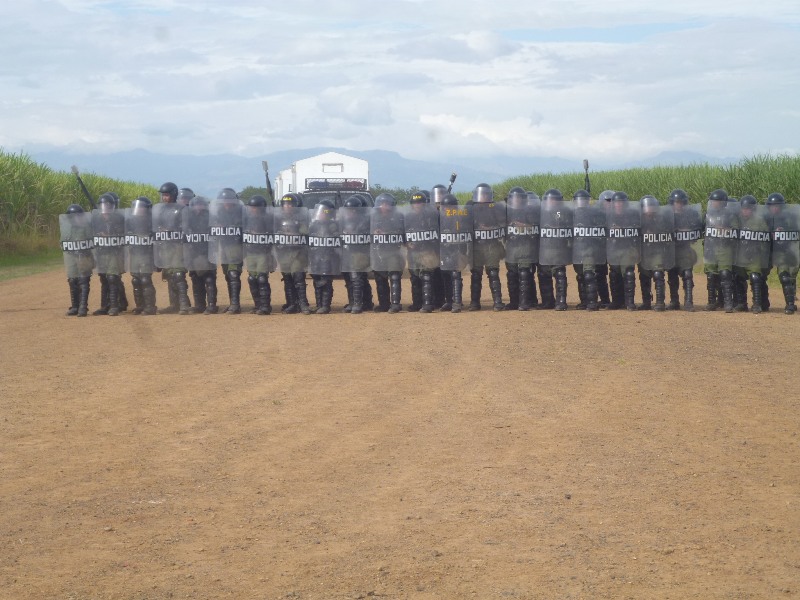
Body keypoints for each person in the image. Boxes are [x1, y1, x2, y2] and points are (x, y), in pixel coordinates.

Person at [469, 183, 506, 311]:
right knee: (476, 275)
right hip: (477, 247)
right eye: (482, 194)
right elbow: (464, 225)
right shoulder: (470, 207)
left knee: (493, 273)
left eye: (485, 194)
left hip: (492, 245)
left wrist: (490, 228)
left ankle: (497, 302)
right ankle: (474, 303)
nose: (483, 197)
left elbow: (503, 224)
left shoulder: (496, 208)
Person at [209, 188, 245, 314]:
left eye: (229, 200)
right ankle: (232, 303)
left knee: (234, 274)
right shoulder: (219, 213)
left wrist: (231, 227)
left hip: (236, 247)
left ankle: (235, 305)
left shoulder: (241, 212)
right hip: (224, 247)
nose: (226, 203)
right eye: (224, 200)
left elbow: (245, 227)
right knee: (228, 276)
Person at [275, 192, 311, 314]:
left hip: (298, 253)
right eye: (285, 204)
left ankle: (303, 304)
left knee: (298, 277)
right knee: (287, 279)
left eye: (290, 204)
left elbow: (305, 232)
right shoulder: (278, 219)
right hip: (284, 253)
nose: (288, 206)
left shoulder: (302, 218)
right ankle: (291, 303)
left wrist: (296, 228)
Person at [156, 181, 190, 314]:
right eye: (163, 195)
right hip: (165, 246)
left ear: (174, 194)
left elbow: (186, 227)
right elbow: (157, 226)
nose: (164, 197)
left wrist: (172, 230)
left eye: (167, 195)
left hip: (178, 246)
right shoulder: (160, 210)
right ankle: (174, 304)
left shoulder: (182, 209)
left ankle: (184, 305)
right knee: (169, 275)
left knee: (178, 274)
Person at [734, 195, 771, 314]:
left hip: (754, 255)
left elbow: (766, 238)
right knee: (738, 277)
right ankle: (742, 303)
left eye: (748, 208)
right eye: (743, 208)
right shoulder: (736, 219)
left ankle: (757, 304)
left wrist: (758, 249)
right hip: (740, 254)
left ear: (753, 209)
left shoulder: (759, 221)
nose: (745, 211)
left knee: (755, 277)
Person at [404, 190, 440, 313]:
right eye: (415, 203)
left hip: (428, 251)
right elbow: (403, 233)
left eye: (420, 203)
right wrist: (406, 243)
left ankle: (427, 304)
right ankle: (417, 303)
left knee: (426, 277)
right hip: (413, 253)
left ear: (425, 204)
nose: (417, 205)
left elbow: (437, 233)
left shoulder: (432, 216)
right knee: (415, 278)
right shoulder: (408, 217)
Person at [668, 189, 703, 311]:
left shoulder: (691, 215)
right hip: (671, 250)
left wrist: (687, 231)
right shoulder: (667, 215)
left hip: (685, 249)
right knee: (672, 275)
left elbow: (698, 230)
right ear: (672, 203)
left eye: (681, 202)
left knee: (687, 274)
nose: (678, 205)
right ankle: (674, 301)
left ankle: (689, 301)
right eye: (676, 202)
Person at [703, 189, 738, 312]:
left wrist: (723, 229)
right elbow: (700, 228)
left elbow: (736, 231)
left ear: (723, 202)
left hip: (725, 247)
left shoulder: (730, 215)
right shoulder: (707, 215)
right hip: (710, 248)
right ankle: (712, 302)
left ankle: (728, 303)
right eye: (713, 201)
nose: (714, 203)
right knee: (711, 275)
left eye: (717, 201)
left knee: (725, 274)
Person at [91, 193, 126, 316]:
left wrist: (112, 235)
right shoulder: (96, 219)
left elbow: (124, 234)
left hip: (114, 253)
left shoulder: (119, 218)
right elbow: (91, 233)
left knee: (112, 278)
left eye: (108, 205)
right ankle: (104, 306)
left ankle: (114, 306)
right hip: (101, 253)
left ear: (112, 206)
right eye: (103, 205)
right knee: (104, 278)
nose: (105, 207)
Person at [638, 195, 675, 311]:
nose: (649, 209)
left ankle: (660, 302)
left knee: (658, 274)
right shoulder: (638, 220)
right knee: (644, 276)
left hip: (657, 251)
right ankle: (646, 302)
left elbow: (668, 234)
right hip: (643, 252)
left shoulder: (662, 219)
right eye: (647, 206)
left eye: (652, 206)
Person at [370, 193, 405, 313]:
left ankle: (395, 304)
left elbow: (402, 232)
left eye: (387, 204)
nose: (384, 206)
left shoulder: (398, 217)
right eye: (382, 203)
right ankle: (383, 304)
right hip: (378, 251)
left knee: (394, 276)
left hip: (393, 251)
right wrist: (374, 232)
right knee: (380, 278)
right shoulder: (373, 217)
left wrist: (386, 233)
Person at [538, 188, 573, 311]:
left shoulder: (563, 212)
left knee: (559, 274)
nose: (552, 202)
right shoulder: (542, 212)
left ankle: (561, 301)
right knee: (543, 275)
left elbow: (566, 225)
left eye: (554, 200)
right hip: (544, 249)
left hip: (559, 249)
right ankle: (547, 301)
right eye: (550, 200)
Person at [182, 195, 218, 314]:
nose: (199, 207)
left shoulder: (210, 216)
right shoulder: (189, 217)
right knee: (196, 278)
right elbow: (185, 232)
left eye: (201, 204)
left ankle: (212, 305)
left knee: (209, 278)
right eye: (196, 205)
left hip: (207, 251)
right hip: (193, 251)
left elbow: (216, 232)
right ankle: (199, 305)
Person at [571, 189, 606, 311]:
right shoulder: (572, 213)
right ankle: (584, 301)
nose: (581, 202)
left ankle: (592, 302)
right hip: (577, 251)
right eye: (579, 200)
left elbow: (601, 229)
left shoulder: (595, 213)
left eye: (584, 200)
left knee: (589, 275)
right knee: (580, 276)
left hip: (589, 250)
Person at [606, 191, 641, 311]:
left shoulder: (633, 215)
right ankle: (617, 301)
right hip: (614, 248)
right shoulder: (608, 216)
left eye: (621, 202)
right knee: (614, 273)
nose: (618, 204)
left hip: (628, 248)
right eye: (616, 202)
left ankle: (629, 302)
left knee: (628, 272)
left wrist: (623, 229)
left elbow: (637, 229)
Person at [438, 193, 472, 312]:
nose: (447, 209)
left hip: (457, 250)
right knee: (445, 275)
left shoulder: (460, 217)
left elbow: (465, 232)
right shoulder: (439, 218)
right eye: (445, 207)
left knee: (455, 275)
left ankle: (457, 302)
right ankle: (449, 301)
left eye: (450, 207)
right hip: (444, 252)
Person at [766, 192, 799, 314]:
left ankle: (790, 304)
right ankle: (761, 303)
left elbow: (795, 235)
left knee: (785, 276)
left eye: (777, 206)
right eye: (772, 206)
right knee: (758, 276)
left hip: (783, 251)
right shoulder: (765, 219)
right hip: (767, 252)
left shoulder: (789, 219)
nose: (775, 208)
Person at [339, 194, 373, 314]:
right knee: (349, 278)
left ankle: (358, 303)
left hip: (360, 253)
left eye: (353, 210)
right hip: (347, 253)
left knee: (356, 277)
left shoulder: (366, 221)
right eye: (348, 210)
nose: (350, 212)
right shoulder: (343, 221)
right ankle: (355, 302)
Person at [59, 204, 94, 317]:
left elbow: (92, 242)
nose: (76, 218)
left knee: (84, 280)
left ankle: (83, 307)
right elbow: (62, 242)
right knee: (72, 280)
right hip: (71, 257)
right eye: (73, 217)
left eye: (78, 216)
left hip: (84, 256)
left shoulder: (87, 227)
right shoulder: (67, 229)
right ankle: (75, 306)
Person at [242, 195, 275, 315]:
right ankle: (257, 305)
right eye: (251, 207)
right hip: (251, 252)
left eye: (255, 207)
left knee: (262, 278)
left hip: (263, 253)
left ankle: (265, 306)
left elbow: (273, 235)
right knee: (252, 279)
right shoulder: (247, 219)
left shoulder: (268, 219)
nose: (253, 209)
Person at [125, 196, 158, 315]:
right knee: (135, 280)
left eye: (141, 207)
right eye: (136, 207)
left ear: (147, 209)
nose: (138, 209)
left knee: (145, 279)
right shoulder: (130, 221)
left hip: (146, 254)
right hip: (134, 253)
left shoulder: (152, 221)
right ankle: (140, 306)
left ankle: (150, 306)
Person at [308, 199, 341, 314]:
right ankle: (319, 305)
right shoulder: (313, 225)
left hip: (328, 257)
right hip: (315, 256)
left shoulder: (333, 225)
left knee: (326, 281)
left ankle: (325, 306)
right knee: (316, 281)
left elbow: (337, 240)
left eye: (324, 212)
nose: (321, 214)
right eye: (320, 211)